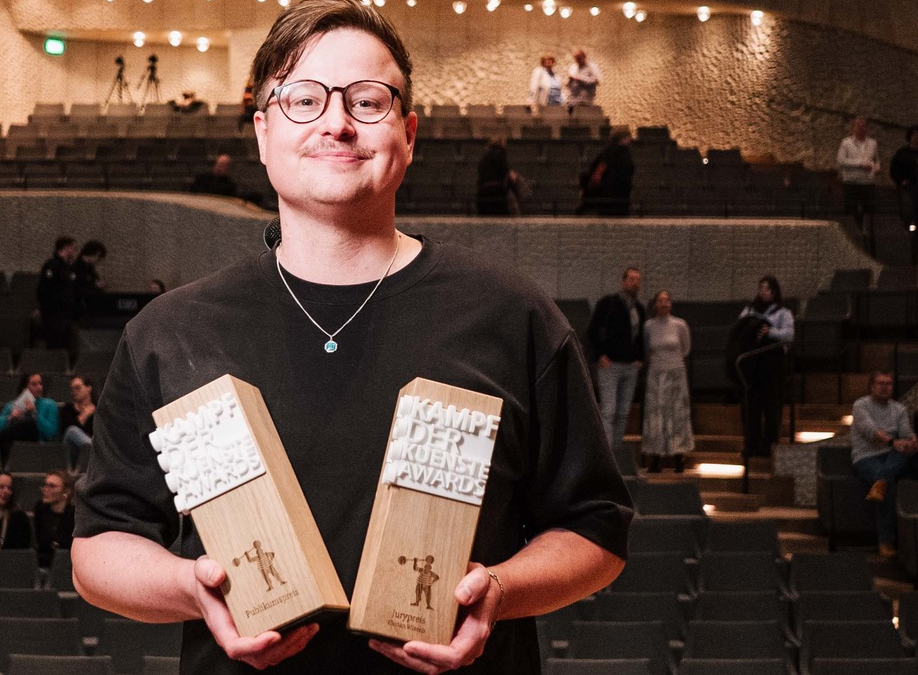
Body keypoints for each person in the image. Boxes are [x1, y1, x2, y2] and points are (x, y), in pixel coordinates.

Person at [72, 2, 631, 674]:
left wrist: (502, 593)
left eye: (368, 100)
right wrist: (190, 587)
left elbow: (596, 529)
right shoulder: (169, 332)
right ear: (261, 131)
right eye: (303, 99)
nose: (336, 123)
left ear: (409, 132)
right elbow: (99, 547)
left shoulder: (513, 317)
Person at [850, 371, 918, 558]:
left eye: (888, 384)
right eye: (880, 383)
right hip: (867, 457)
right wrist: (893, 442)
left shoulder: (899, 409)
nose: (884, 387)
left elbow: (905, 431)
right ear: (871, 386)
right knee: (890, 485)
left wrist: (912, 439)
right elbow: (870, 431)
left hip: (893, 456)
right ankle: (885, 541)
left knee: (903, 455)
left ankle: (881, 481)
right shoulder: (861, 405)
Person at [587, 267, 645, 453]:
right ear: (623, 282)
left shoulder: (640, 309)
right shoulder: (608, 303)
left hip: (630, 366)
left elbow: (641, 337)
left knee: (623, 413)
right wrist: (600, 355)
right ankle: (606, 454)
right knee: (609, 411)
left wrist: (640, 358)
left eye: (638, 280)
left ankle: (616, 452)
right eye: (631, 279)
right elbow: (593, 330)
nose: (635, 283)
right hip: (610, 364)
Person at [735, 275, 794, 458]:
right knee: (751, 408)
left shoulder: (783, 312)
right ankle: (751, 445)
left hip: (773, 367)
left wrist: (771, 332)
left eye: (767, 289)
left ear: (774, 291)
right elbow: (739, 329)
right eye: (761, 288)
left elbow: (789, 334)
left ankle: (769, 447)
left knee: (771, 408)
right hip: (753, 367)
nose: (763, 292)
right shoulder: (749, 311)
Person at [641, 290, 693, 473]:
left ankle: (679, 457)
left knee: (677, 415)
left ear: (671, 304)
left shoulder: (680, 325)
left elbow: (686, 348)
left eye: (667, 300)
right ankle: (656, 458)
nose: (664, 303)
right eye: (660, 300)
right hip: (656, 374)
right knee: (656, 415)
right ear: (655, 304)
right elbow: (647, 349)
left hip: (676, 374)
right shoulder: (648, 326)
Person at [0, 373, 60, 461]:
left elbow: (51, 434)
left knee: (29, 425)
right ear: (25, 388)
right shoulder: (11, 406)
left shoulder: (50, 404)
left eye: (40, 384)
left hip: (37, 446)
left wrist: (35, 414)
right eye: (34, 384)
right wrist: (10, 418)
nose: (39, 387)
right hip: (13, 447)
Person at [889, 125, 918, 255]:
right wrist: (901, 180)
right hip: (908, 189)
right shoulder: (902, 153)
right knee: (907, 214)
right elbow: (894, 169)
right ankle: (904, 243)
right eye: (914, 135)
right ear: (909, 137)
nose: (917, 138)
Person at [836, 117, 880, 246]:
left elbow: (876, 159)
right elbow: (841, 160)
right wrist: (859, 164)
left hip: (868, 182)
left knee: (870, 210)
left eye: (863, 125)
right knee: (851, 210)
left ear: (867, 128)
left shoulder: (873, 143)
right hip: (851, 182)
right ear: (853, 127)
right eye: (858, 125)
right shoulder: (846, 143)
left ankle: (869, 238)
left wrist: (876, 167)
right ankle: (853, 238)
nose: (860, 128)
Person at [577, 128, 634, 216]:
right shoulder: (624, 153)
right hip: (620, 194)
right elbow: (627, 172)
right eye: (628, 138)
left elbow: (593, 169)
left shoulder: (605, 152)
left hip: (604, 193)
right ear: (623, 139)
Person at [37, 236, 78, 349]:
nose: (75, 252)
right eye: (73, 248)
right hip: (54, 313)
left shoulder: (69, 268)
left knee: (65, 344)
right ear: (67, 248)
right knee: (55, 344)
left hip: (66, 313)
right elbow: (44, 290)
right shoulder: (52, 266)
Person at [34, 469, 76, 567]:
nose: (46, 489)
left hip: (68, 565)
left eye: (52, 486)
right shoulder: (40, 509)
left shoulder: (74, 515)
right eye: (45, 485)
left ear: (66, 492)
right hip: (44, 564)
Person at [475, 136, 519, 216]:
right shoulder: (501, 153)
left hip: (483, 193)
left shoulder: (484, 158)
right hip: (496, 192)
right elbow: (504, 172)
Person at [60, 375, 95, 469]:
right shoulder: (67, 408)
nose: (74, 392)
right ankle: (96, 452)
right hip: (71, 450)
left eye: (78, 388)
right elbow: (66, 431)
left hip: (88, 452)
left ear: (89, 388)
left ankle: (93, 449)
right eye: (72, 389)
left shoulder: (99, 410)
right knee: (72, 430)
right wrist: (85, 415)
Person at [73, 240, 107, 323]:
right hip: (79, 306)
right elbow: (78, 285)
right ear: (96, 254)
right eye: (99, 257)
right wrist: (94, 284)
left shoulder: (89, 268)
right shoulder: (77, 267)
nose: (98, 261)